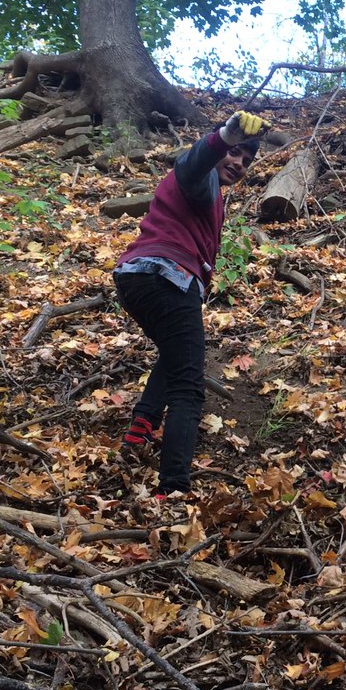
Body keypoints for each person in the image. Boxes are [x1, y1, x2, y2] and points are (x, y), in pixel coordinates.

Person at [113, 110, 268, 497]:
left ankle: (141, 426)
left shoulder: (210, 191)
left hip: (136, 278)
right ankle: (173, 489)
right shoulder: (203, 180)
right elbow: (192, 163)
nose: (239, 163)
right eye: (235, 154)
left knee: (174, 354)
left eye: (247, 160)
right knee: (189, 385)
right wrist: (224, 138)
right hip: (166, 275)